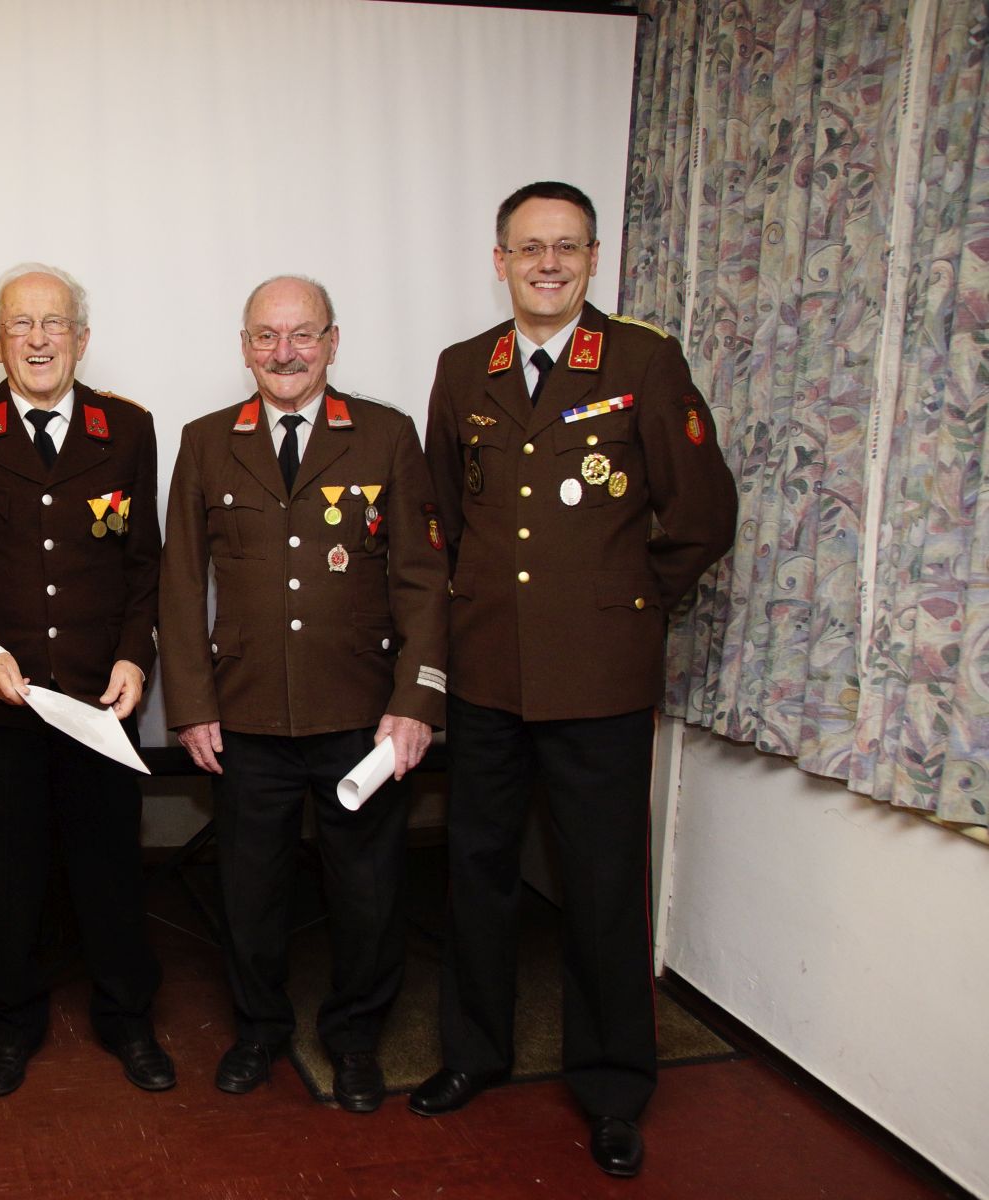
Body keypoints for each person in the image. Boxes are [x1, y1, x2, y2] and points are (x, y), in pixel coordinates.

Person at [411, 181, 738, 1176]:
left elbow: (702, 516)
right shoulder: (463, 368)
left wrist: (628, 610)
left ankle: (613, 1087)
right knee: (477, 874)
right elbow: (446, 517)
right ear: (500, 261)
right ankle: (474, 1053)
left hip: (599, 680)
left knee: (600, 887)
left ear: (594, 259)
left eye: (566, 247)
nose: (547, 264)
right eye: (529, 247)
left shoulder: (641, 361)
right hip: (487, 671)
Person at [158, 276, 449, 1112]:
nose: (283, 353)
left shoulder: (387, 436)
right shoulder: (207, 442)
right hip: (245, 713)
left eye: (302, 335)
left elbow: (423, 580)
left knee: (368, 891)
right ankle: (258, 1031)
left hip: (362, 714)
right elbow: (181, 583)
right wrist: (192, 705)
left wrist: (416, 702)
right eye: (265, 336)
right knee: (250, 892)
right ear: (245, 345)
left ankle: (355, 1039)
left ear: (332, 341)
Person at [0, 263, 171, 1097]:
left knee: (110, 874)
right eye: (20, 324)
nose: (39, 339)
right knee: (4, 880)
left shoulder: (125, 429)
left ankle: (127, 1020)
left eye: (54, 323)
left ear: (81, 338)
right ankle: (13, 1025)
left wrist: (134, 656)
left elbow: (144, 564)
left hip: (99, 704)